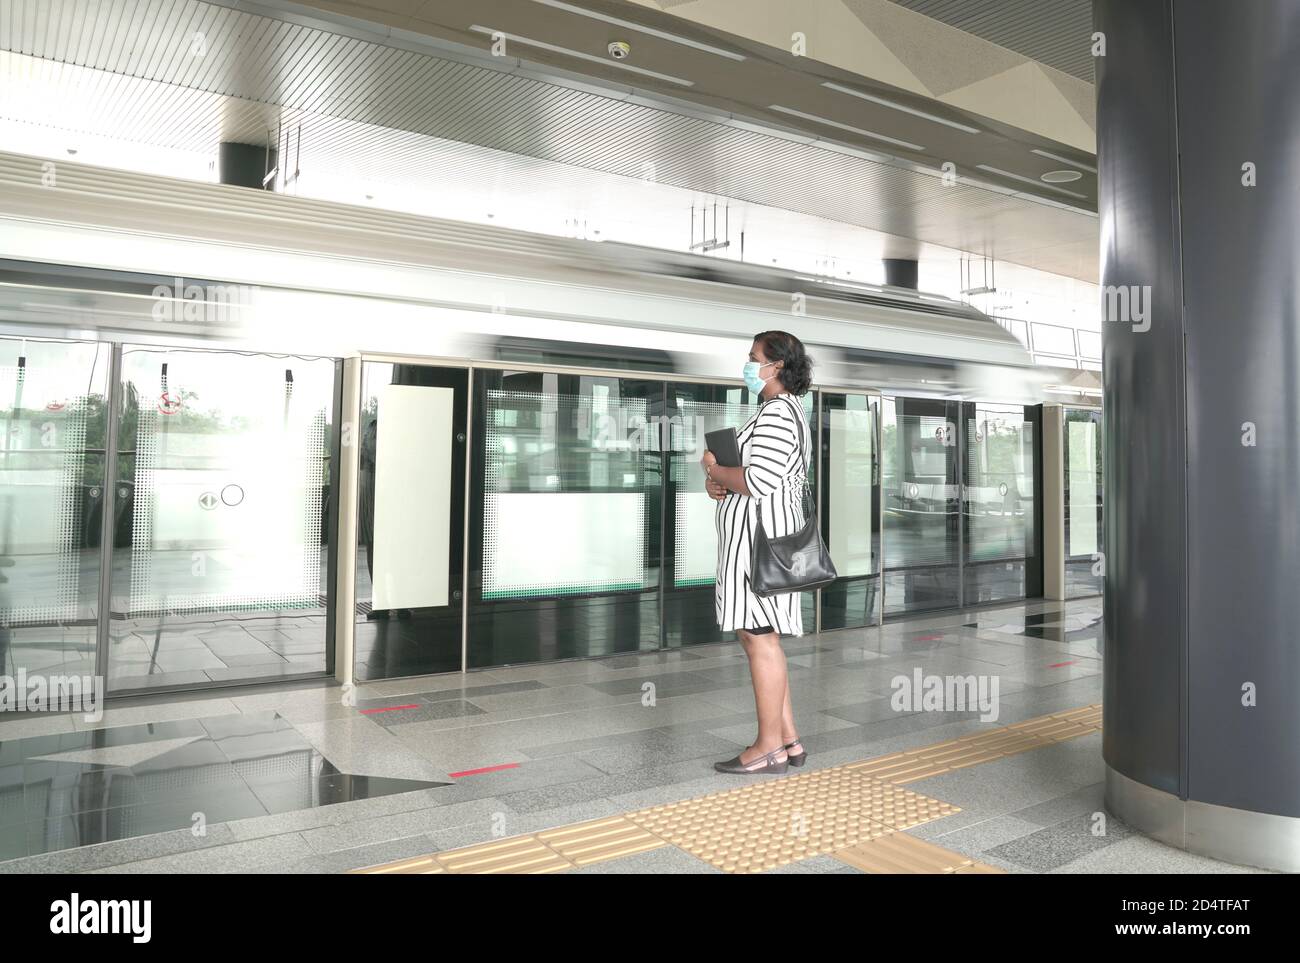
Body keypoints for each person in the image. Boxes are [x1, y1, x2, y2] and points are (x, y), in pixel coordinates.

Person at [701, 330, 813, 775]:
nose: (748, 365)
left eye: (754, 358)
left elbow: (757, 481)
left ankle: (767, 747)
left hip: (760, 546)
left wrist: (714, 467)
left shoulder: (778, 415)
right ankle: (787, 739)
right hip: (756, 542)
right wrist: (718, 480)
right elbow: (742, 477)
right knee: (759, 637)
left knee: (760, 637)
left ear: (777, 366)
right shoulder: (773, 412)